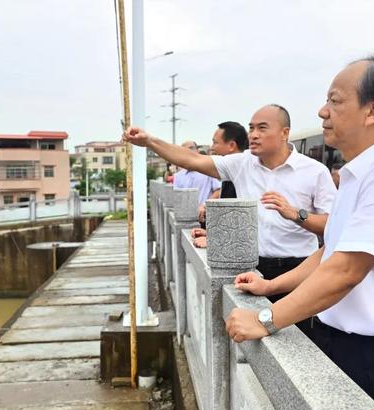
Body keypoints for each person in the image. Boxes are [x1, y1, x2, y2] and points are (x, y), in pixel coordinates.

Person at [225, 56, 374, 410]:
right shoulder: (358, 175)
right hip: (339, 343)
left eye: (335, 101)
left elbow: (346, 271)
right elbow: (330, 252)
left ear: (373, 110)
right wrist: (271, 288)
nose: (323, 111)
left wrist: (265, 319)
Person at [123, 104, 336, 336]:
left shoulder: (315, 172)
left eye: (262, 128)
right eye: (251, 128)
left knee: (300, 342)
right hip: (252, 269)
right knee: (251, 339)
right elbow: (192, 160)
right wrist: (150, 142)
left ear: (284, 133)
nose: (253, 135)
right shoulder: (241, 163)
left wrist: (297, 215)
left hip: (300, 270)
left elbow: (334, 228)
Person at [192, 121, 249, 248]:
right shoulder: (231, 171)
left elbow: (244, 221)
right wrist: (212, 234)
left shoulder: (244, 171)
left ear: (231, 145)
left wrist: (215, 240)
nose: (212, 148)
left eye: (215, 142)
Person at [173, 141, 222, 208]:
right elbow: (177, 197)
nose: (189, 152)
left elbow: (218, 191)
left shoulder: (208, 171)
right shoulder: (178, 176)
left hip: (205, 215)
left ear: (197, 151)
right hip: (186, 216)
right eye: (184, 150)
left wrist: (204, 206)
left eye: (192, 148)